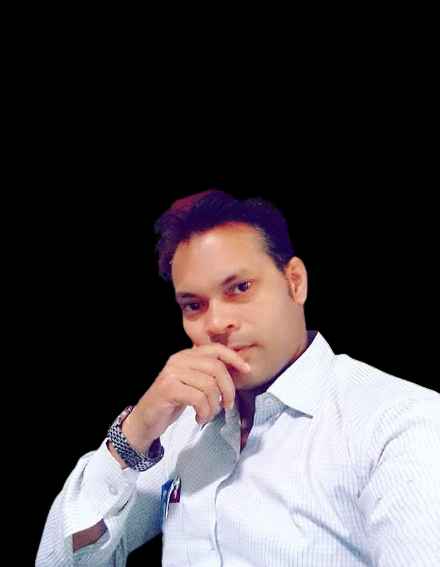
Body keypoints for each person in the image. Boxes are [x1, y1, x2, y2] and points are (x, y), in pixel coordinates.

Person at [36, 190, 440, 566]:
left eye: (240, 288)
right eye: (193, 305)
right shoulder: (181, 427)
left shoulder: (399, 421)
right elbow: (64, 561)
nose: (216, 323)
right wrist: (136, 430)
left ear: (295, 282)